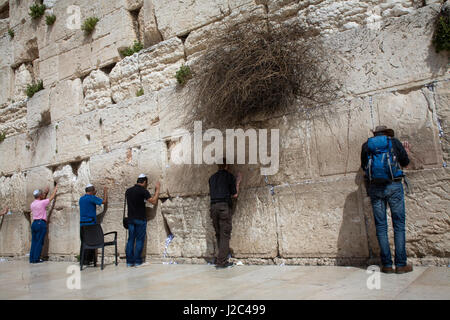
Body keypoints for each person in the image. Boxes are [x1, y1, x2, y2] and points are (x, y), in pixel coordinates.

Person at [361, 125, 413, 274]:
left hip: (375, 188)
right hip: (394, 185)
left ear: (375, 134)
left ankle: (387, 265)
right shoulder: (393, 142)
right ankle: (401, 264)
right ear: (386, 133)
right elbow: (405, 163)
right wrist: (406, 152)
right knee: (399, 225)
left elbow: (364, 167)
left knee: (381, 227)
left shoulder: (366, 146)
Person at [208, 159, 242, 269]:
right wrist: (238, 181)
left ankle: (221, 257)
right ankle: (221, 261)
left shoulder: (211, 178)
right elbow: (235, 194)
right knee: (225, 234)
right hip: (223, 207)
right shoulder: (229, 176)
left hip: (213, 208)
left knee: (218, 234)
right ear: (227, 165)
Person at [125, 174, 160, 267]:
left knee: (131, 240)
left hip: (131, 219)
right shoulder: (143, 191)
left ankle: (129, 262)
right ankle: (137, 262)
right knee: (140, 240)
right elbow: (153, 201)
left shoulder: (128, 191)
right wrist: (157, 190)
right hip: (140, 219)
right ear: (144, 182)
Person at [79, 184, 108, 265]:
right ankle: (89, 260)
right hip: (90, 224)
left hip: (82, 225)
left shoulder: (81, 199)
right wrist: (105, 192)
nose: (95, 192)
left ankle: (83, 260)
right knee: (92, 242)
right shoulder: (92, 198)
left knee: (84, 242)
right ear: (92, 191)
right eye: (94, 190)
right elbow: (104, 201)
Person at [29, 186, 58, 264]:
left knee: (34, 241)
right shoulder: (42, 203)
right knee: (39, 242)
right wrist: (55, 190)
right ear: (40, 196)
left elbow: (42, 201)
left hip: (34, 223)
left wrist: (45, 193)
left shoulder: (32, 204)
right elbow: (51, 198)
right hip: (41, 223)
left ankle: (32, 258)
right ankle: (36, 259)